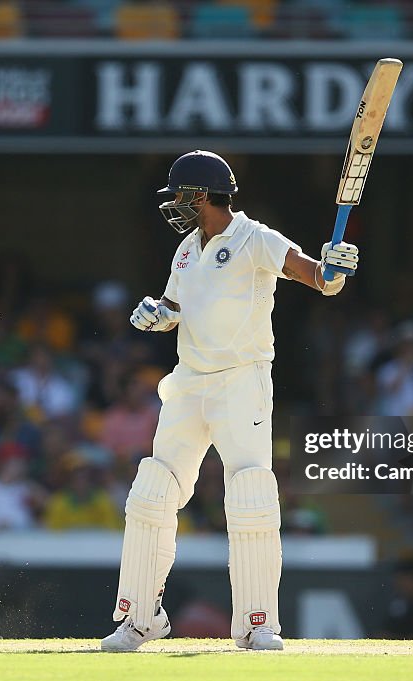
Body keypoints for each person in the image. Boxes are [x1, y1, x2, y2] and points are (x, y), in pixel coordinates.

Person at [101, 150, 359, 652]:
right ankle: (139, 619)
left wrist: (335, 271)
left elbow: (316, 278)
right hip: (189, 382)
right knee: (152, 491)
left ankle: (257, 624)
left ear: (201, 196)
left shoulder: (255, 238)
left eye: (180, 195)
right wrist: (159, 314)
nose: (174, 206)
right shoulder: (184, 251)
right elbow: (177, 306)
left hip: (241, 381)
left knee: (250, 494)